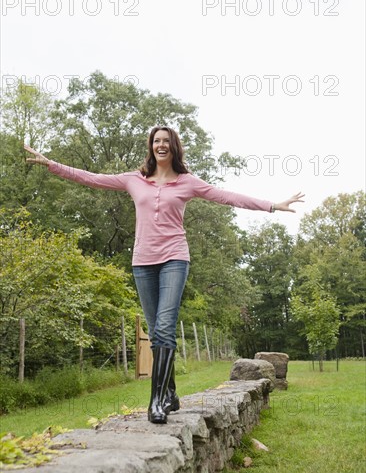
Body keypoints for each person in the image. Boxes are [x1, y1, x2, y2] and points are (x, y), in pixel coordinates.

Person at [24, 127, 304, 424]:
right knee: (156, 331)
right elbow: (93, 179)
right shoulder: (134, 179)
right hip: (143, 262)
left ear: (174, 148)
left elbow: (227, 196)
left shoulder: (187, 182)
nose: (161, 145)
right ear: (151, 146)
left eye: (166, 141)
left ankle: (156, 401)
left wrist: (272, 205)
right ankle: (170, 393)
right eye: (156, 141)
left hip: (174, 258)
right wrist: (52, 164)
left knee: (165, 327)